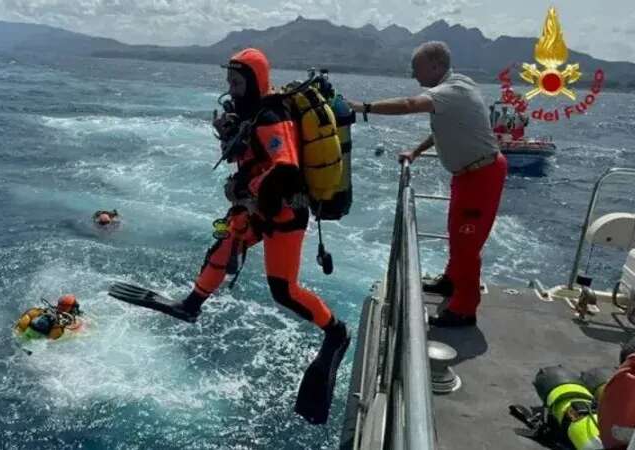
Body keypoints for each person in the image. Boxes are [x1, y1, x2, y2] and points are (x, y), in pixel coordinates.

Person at [108, 48, 350, 424]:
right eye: (229, 82)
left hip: (283, 212)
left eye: (237, 82)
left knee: (283, 290)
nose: (231, 89)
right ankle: (191, 305)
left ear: (254, 81)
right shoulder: (253, 113)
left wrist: (244, 184)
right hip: (257, 207)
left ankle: (336, 332)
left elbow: (284, 169)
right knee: (226, 242)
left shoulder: (271, 115)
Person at [347, 41, 507, 327]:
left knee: (467, 244)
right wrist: (416, 152)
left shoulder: (452, 90)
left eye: (416, 68)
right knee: (457, 235)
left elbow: (409, 105)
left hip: (482, 176)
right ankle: (450, 281)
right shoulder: (456, 89)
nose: (413, 75)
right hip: (468, 175)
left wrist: (362, 107)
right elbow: (447, 129)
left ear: (435, 66)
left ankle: (464, 310)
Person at [13, 294, 84, 341]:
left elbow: (77, 332)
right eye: (60, 304)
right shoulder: (53, 310)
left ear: (72, 308)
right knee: (31, 313)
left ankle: (40, 341)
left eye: (65, 306)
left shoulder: (77, 320)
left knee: (57, 329)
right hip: (45, 328)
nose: (61, 307)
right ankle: (18, 332)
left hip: (54, 335)